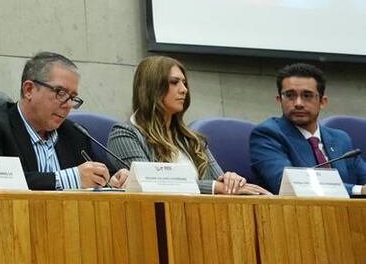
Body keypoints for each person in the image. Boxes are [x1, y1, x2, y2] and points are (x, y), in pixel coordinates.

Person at [0, 52, 128, 190]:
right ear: (29, 90)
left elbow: (94, 175)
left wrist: (111, 181)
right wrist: (70, 179)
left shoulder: (74, 133)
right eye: (60, 93)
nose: (68, 105)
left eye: (72, 97)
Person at [107, 56, 268, 195]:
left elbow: (220, 182)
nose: (184, 90)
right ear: (152, 88)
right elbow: (151, 184)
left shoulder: (191, 139)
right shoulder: (125, 135)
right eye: (174, 82)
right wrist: (215, 187)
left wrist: (231, 181)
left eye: (184, 83)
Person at [250, 62, 366, 195]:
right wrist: (358, 190)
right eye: (290, 95)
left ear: (322, 102)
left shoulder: (340, 139)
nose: (298, 103)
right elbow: (289, 186)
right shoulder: (267, 135)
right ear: (279, 100)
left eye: (307, 96)